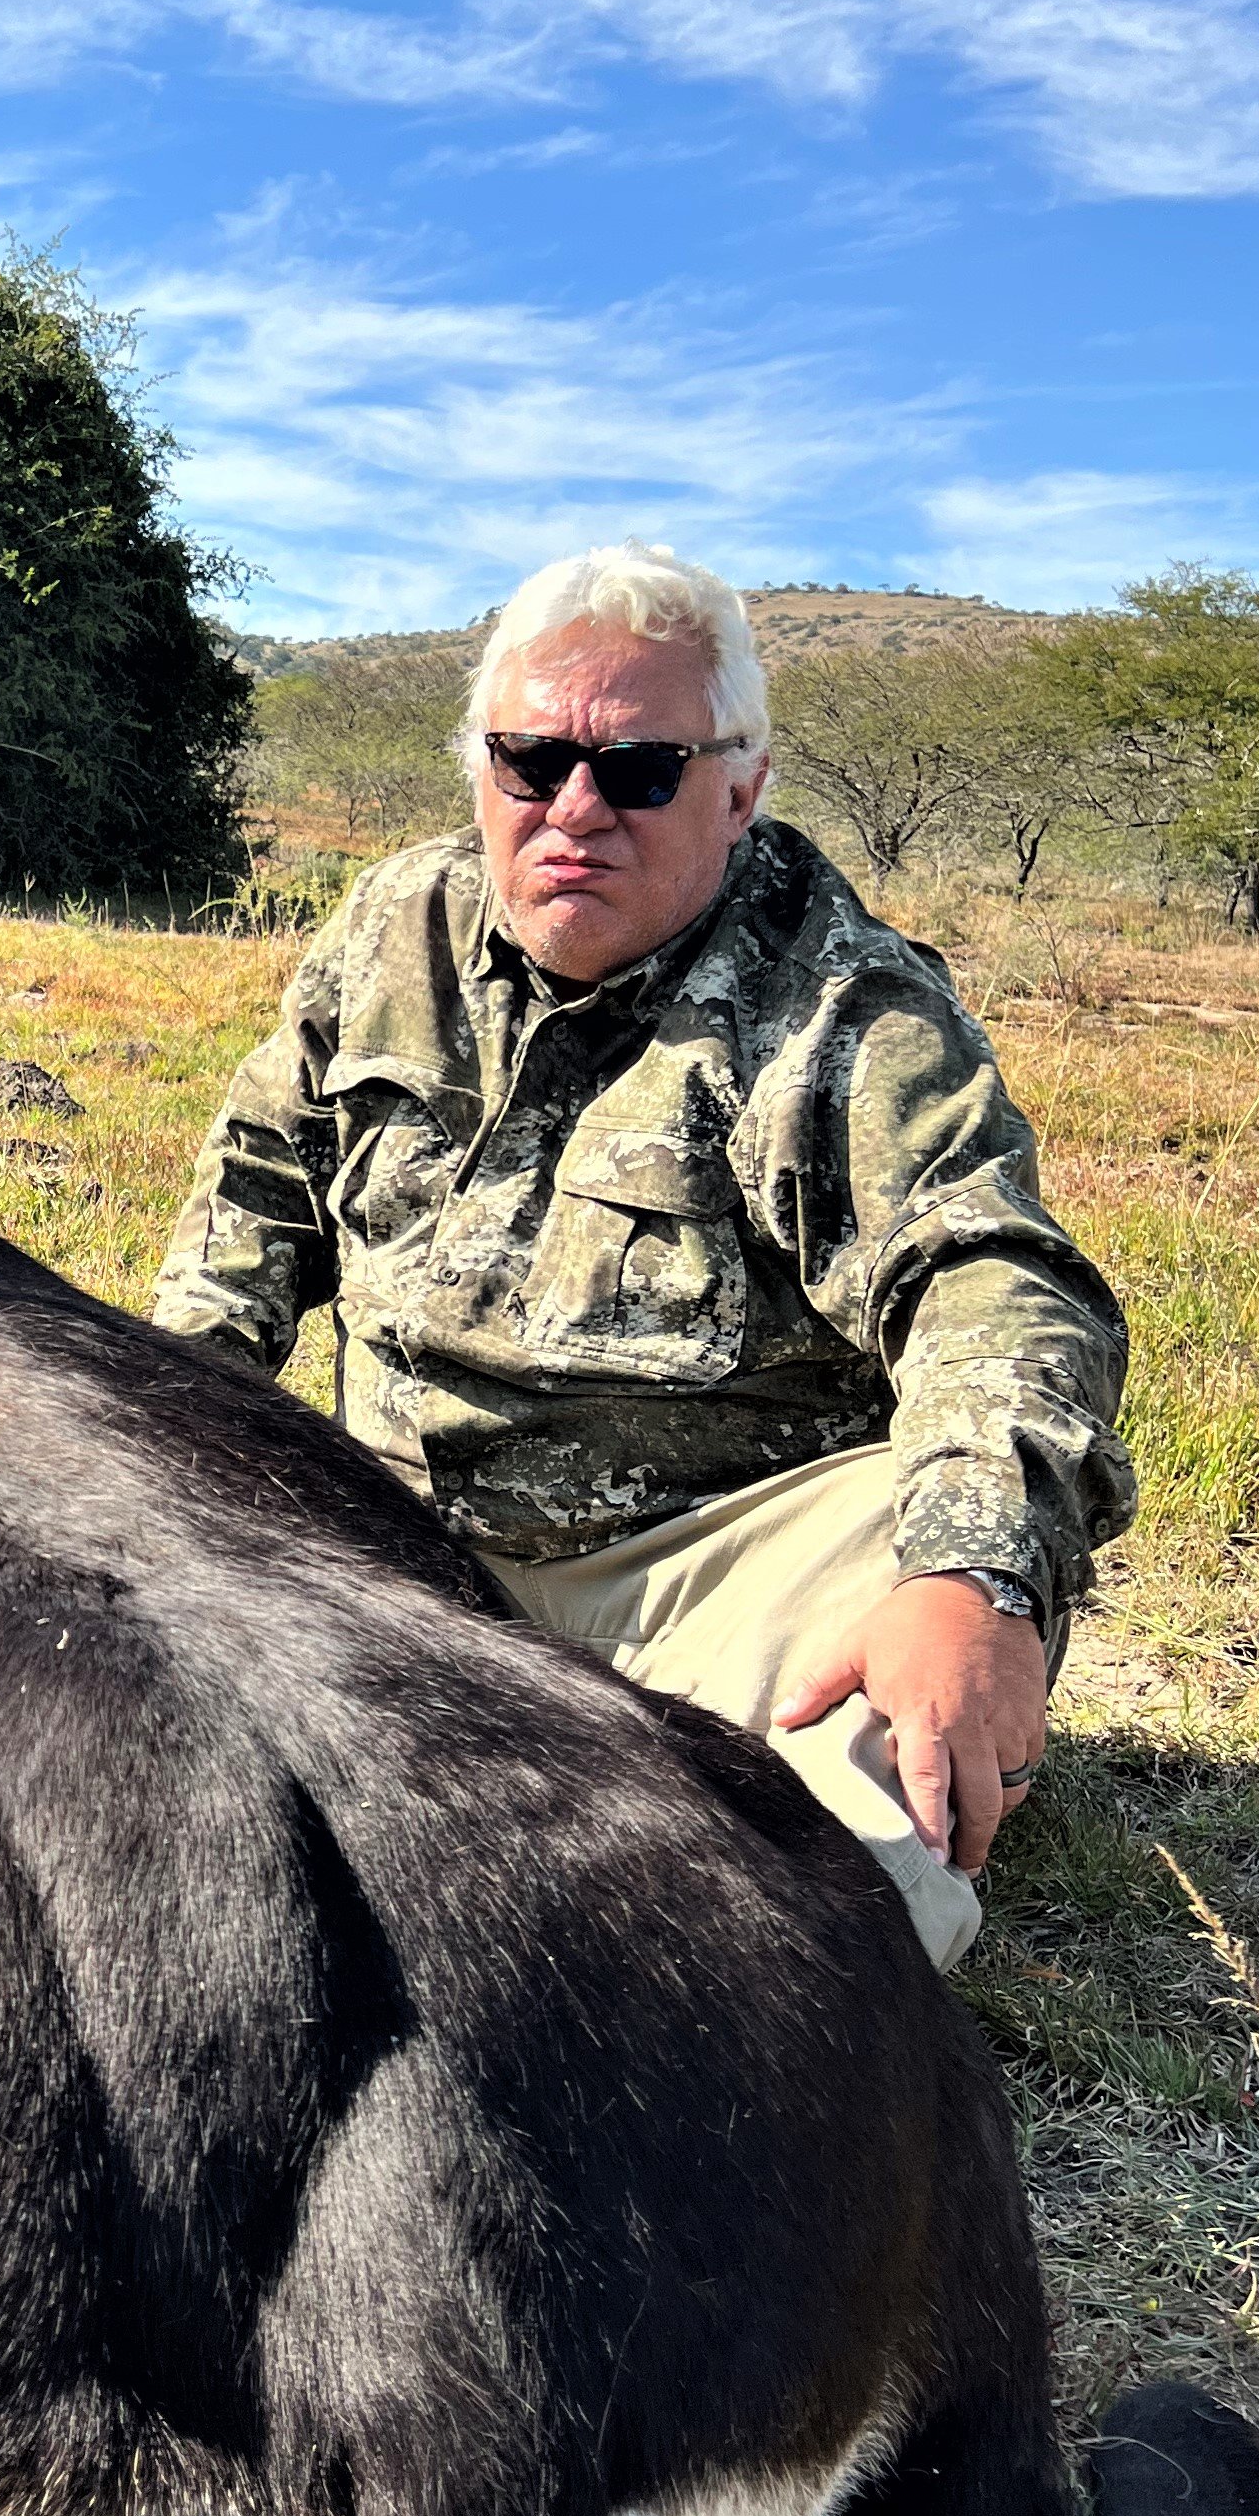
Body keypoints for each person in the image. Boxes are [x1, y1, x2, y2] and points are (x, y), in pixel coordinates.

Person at [153, 545, 1133, 1969]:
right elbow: (255, 1199)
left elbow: (997, 1284)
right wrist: (171, 1422)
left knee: (837, 1862)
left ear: (741, 785)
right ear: (478, 769)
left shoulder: (850, 1009)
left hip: (716, 1560)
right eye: (530, 760)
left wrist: (971, 1582)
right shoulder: (391, 928)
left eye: (641, 771)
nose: (573, 812)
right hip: (391, 1526)